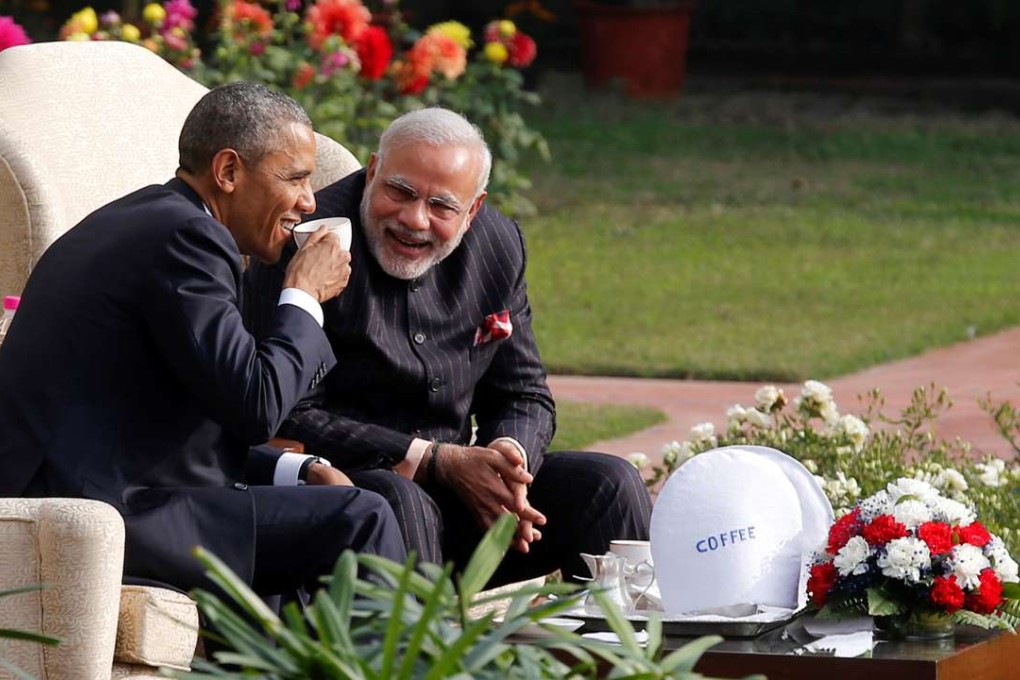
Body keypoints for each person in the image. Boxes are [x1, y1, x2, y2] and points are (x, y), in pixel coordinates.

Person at [0, 82, 405, 598]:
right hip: (90, 516)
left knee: (325, 515)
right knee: (360, 516)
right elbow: (257, 405)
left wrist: (298, 467)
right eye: (296, 179)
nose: (308, 201)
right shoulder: (188, 239)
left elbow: (189, 421)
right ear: (229, 171)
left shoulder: (153, 220)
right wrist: (303, 294)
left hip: (101, 491)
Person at [244, 107, 651, 585]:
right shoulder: (306, 241)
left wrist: (508, 465)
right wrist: (436, 460)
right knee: (398, 499)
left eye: (442, 206)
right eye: (400, 191)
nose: (415, 219)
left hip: (471, 505)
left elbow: (523, 392)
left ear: (473, 209)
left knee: (609, 484)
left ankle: (631, 655)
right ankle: (425, 658)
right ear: (373, 171)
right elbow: (282, 409)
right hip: (358, 494)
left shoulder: (498, 244)